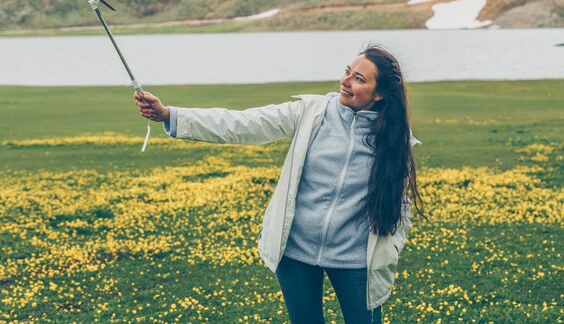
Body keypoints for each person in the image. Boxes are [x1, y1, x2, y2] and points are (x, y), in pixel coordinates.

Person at [134, 44, 425, 324]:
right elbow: (243, 123)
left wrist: (392, 248)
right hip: (295, 253)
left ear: (379, 95)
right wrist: (171, 114)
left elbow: (401, 207)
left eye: (359, 79)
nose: (345, 81)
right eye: (347, 71)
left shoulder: (395, 138)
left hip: (355, 260)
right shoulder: (312, 112)